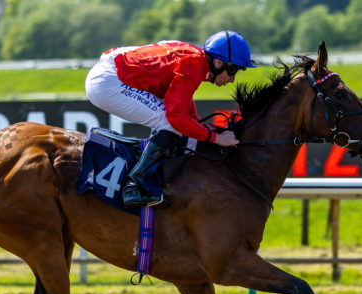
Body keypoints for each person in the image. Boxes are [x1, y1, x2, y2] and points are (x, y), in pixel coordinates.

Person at [85, 30, 256, 208]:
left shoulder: (196, 60)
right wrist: (215, 137)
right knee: (171, 123)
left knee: (178, 122)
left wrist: (199, 124)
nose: (232, 79)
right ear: (218, 62)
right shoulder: (194, 64)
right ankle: (133, 185)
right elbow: (177, 118)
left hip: (112, 68)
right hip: (108, 81)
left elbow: (182, 99)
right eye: (232, 70)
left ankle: (149, 173)